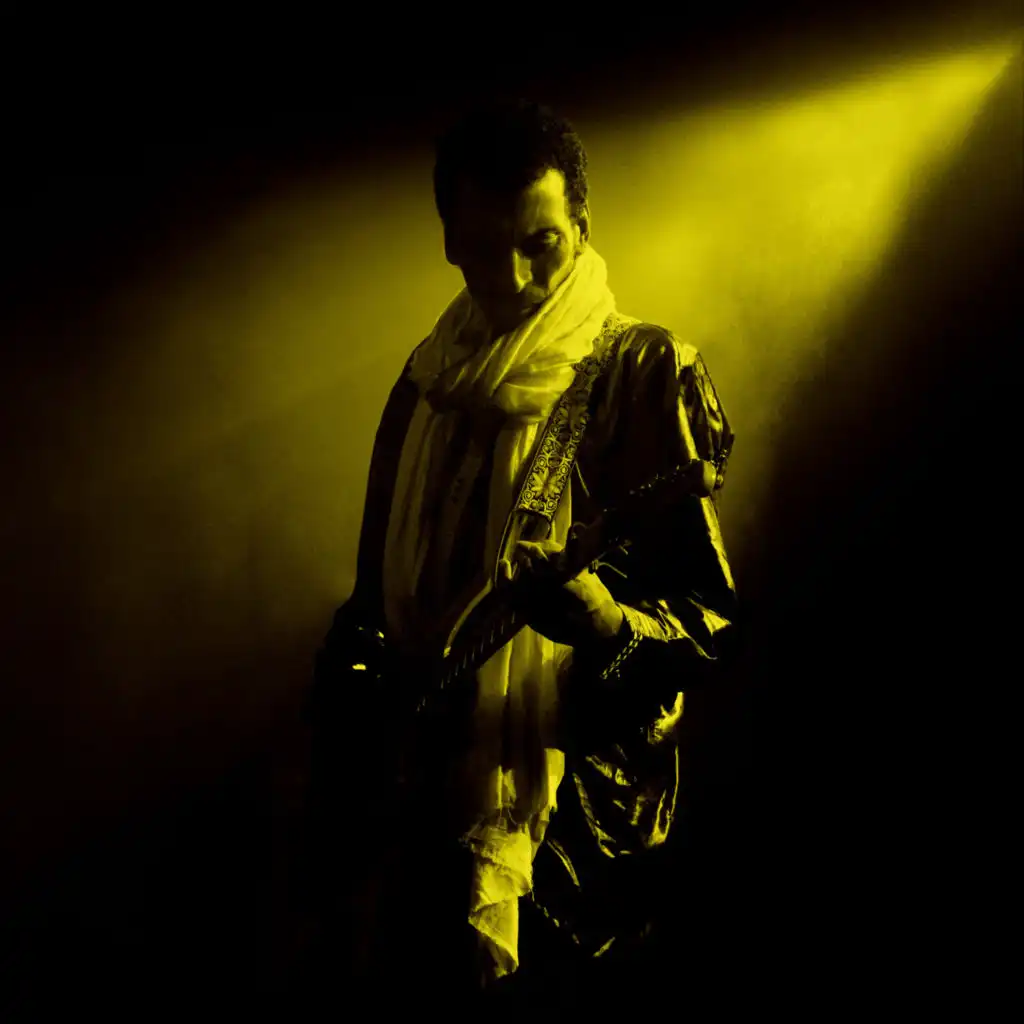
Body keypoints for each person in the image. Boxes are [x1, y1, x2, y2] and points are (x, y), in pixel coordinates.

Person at [303, 98, 738, 1009]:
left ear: (583, 224)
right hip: (417, 821)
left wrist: (606, 623)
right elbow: (368, 604)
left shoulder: (645, 372)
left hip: (573, 848)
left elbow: (710, 629)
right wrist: (364, 696)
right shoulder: (424, 382)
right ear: (447, 241)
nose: (512, 277)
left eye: (541, 245)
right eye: (482, 247)